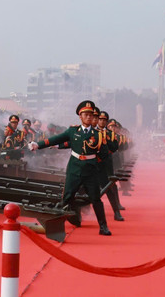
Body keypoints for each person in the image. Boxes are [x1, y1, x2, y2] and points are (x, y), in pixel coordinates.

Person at [28, 100, 112, 236]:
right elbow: (56, 139)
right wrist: (38, 145)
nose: (89, 117)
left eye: (91, 115)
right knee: (67, 198)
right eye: (86, 114)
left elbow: (104, 154)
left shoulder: (99, 135)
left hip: (90, 171)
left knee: (96, 199)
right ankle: (57, 226)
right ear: (80, 116)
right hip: (74, 169)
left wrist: (92, 162)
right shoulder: (73, 131)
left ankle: (103, 227)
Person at [96, 110, 124, 221]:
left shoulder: (110, 134)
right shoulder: (92, 132)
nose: (102, 121)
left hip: (106, 164)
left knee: (110, 188)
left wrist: (105, 141)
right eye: (100, 119)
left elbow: (114, 147)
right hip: (93, 164)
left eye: (104, 120)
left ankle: (116, 212)